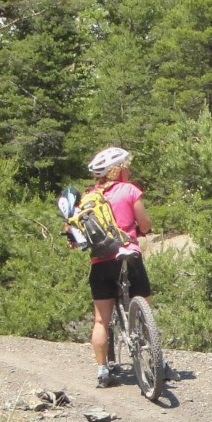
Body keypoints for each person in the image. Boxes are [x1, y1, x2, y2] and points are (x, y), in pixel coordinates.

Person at [73, 146, 154, 388]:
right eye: (126, 166)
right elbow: (145, 225)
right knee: (146, 309)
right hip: (128, 255)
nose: (129, 170)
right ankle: (156, 361)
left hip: (100, 262)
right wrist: (140, 229)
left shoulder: (87, 198)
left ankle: (102, 371)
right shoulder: (129, 190)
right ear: (117, 170)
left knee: (101, 321)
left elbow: (77, 234)